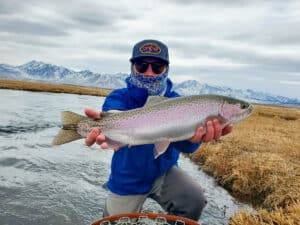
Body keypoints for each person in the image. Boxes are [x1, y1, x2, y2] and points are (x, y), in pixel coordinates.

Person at [85, 39, 233, 221]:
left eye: (157, 68)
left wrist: (196, 139)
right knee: (113, 223)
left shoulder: (178, 102)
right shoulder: (119, 97)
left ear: (166, 69)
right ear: (132, 67)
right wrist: (106, 131)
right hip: (126, 178)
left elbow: (187, 147)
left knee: (194, 200)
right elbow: (114, 114)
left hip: (163, 172)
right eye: (141, 66)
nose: (149, 73)